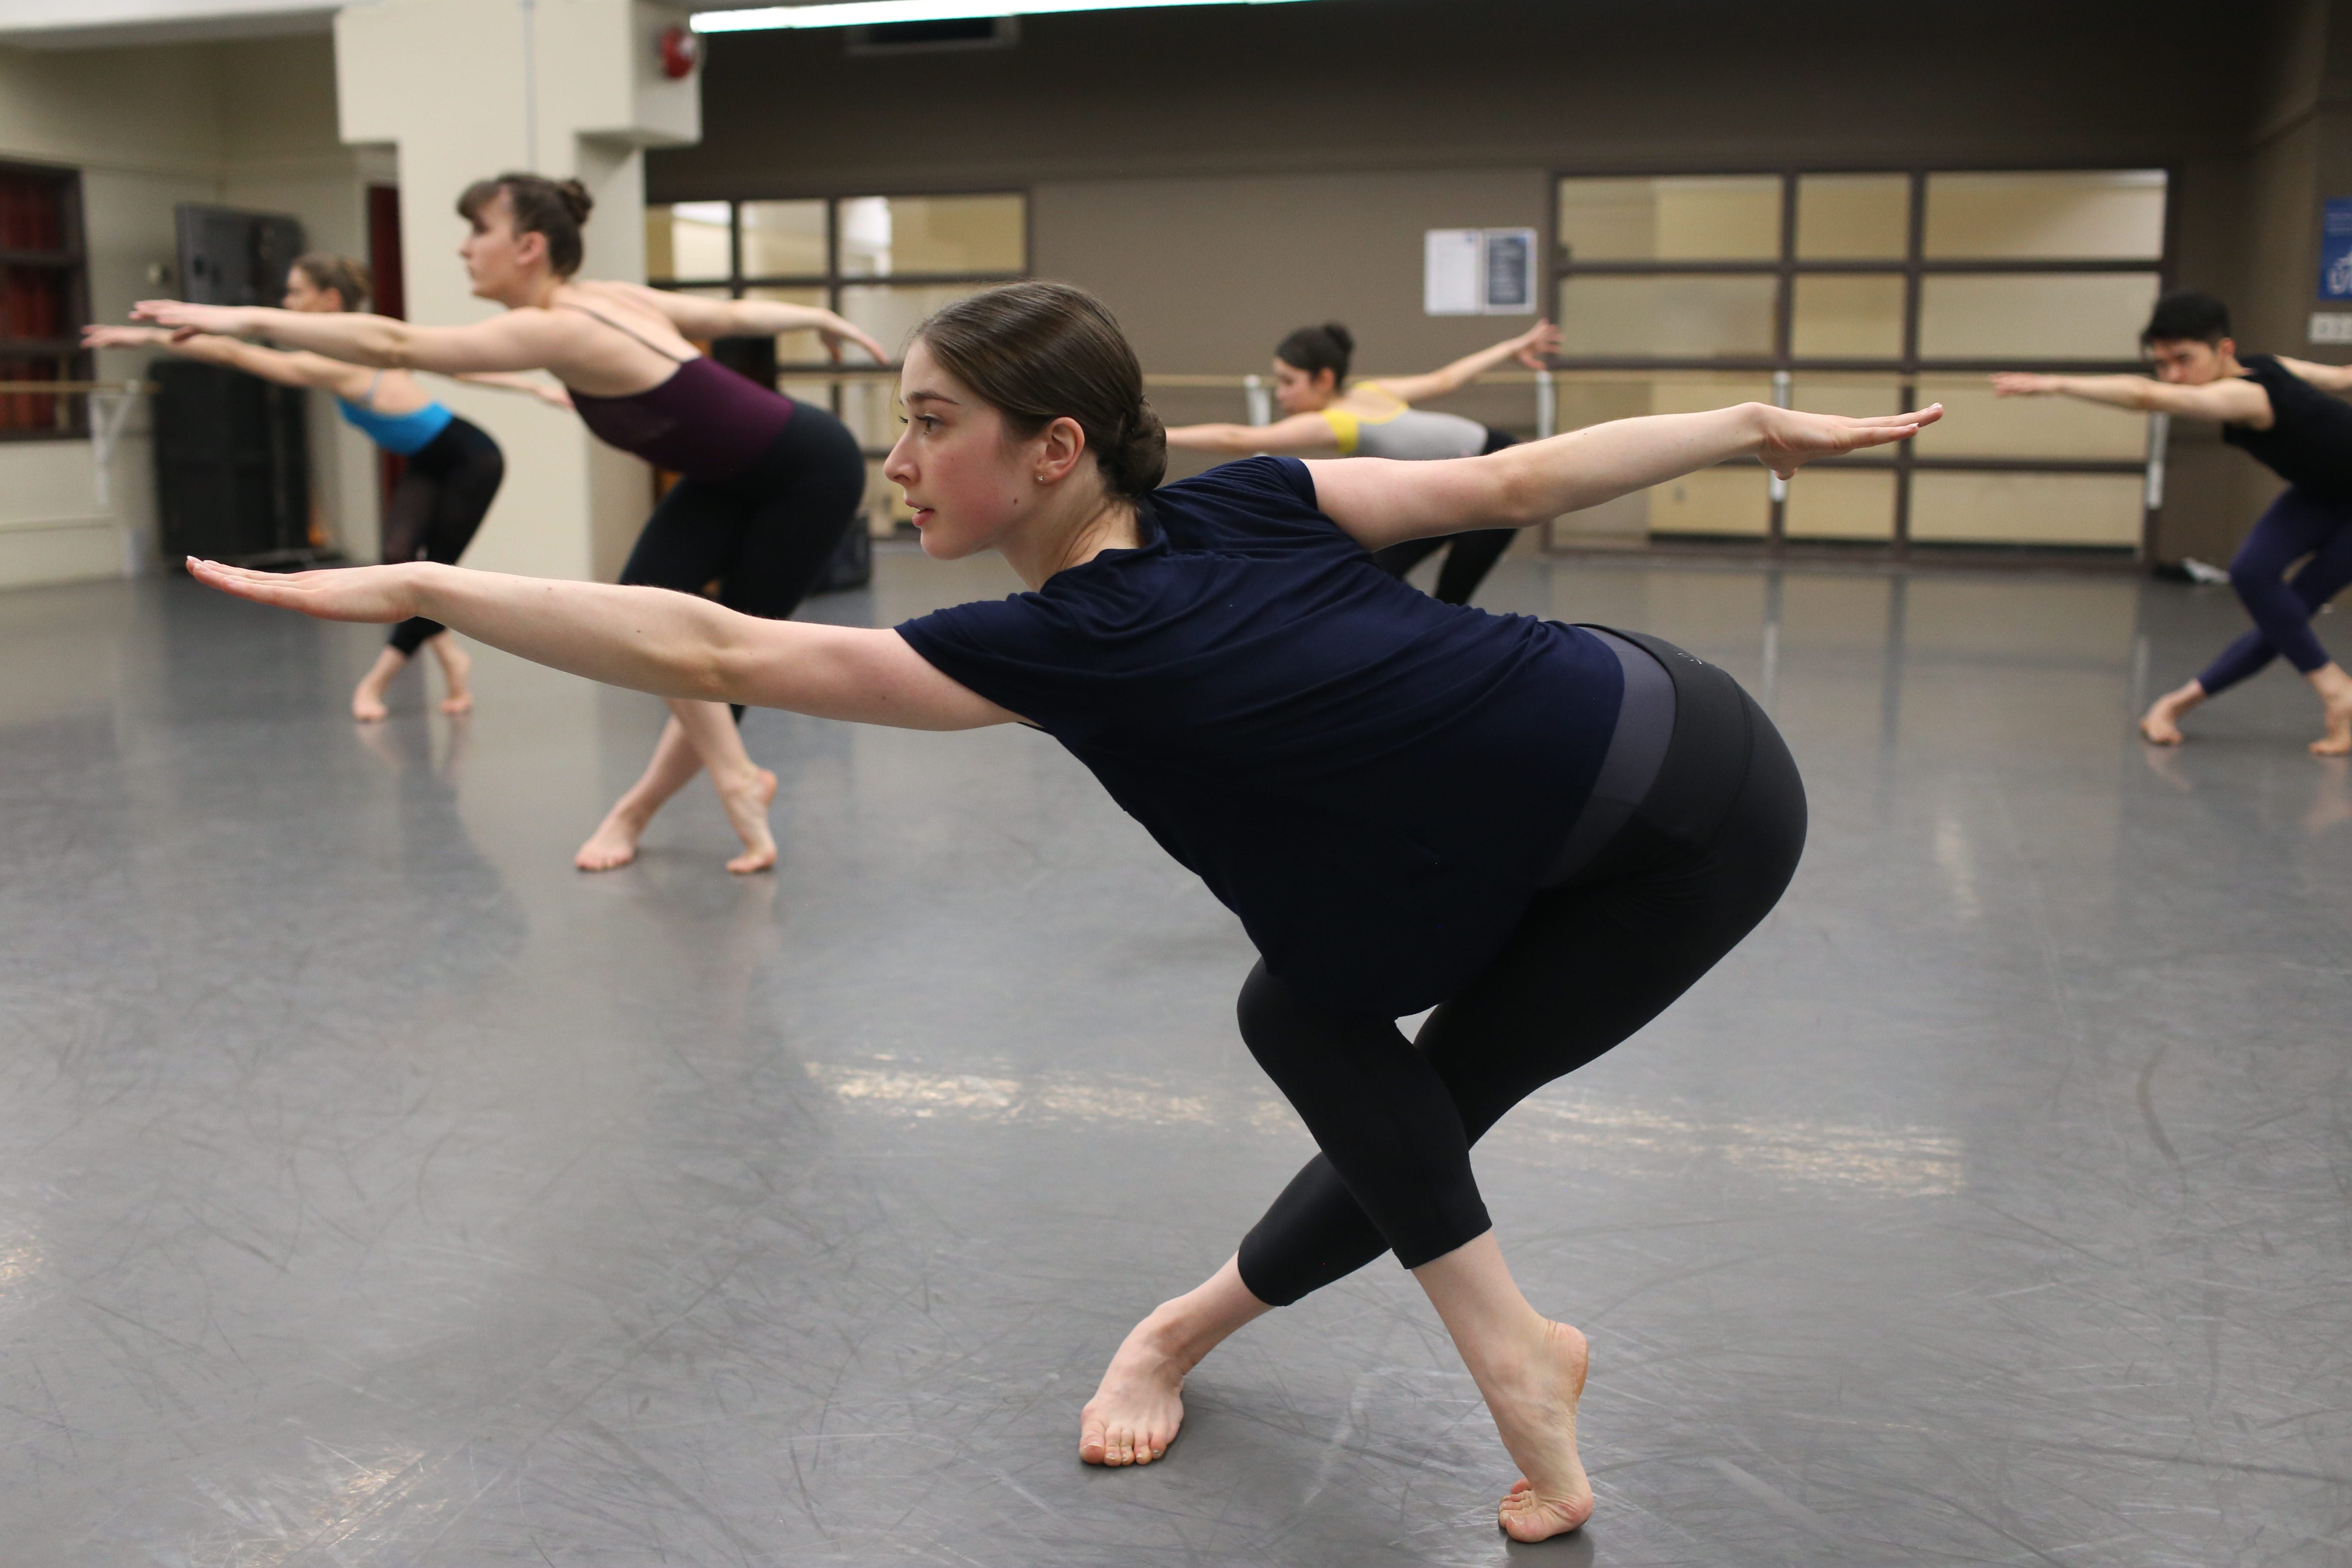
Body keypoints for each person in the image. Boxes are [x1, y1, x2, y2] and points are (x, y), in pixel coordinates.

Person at [184, 282, 1935, 1542]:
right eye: (901, 427)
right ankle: (1350, 1343)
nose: (902, 462)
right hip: (1660, 808)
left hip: (1689, 792)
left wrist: (1750, 422)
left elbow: (1508, 484)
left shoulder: (1154, 569)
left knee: (1312, 1029)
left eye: (934, 426)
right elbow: (715, 646)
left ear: (1054, 450)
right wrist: (432, 589)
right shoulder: (1079, 615)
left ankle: (1451, 1355)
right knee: (1386, 1093)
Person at [133, 174, 887, 874]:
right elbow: (728, 316)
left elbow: (396, 344)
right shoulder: (597, 297)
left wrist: (241, 316)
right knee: (647, 615)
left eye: (477, 231)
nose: (464, 247)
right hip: (732, 474)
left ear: (527, 248)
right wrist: (817, 314)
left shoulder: (563, 327)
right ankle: (736, 781)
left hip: (808, 473)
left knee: (726, 656)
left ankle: (669, 801)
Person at [86, 253, 563, 721]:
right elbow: (235, 350)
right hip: (428, 461)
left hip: (471, 461)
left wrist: (534, 388)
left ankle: (378, 681)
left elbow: (458, 366)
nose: (287, 302)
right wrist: (151, 337)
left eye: (295, 292)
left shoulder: (350, 360)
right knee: (399, 554)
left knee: (429, 576)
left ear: (329, 300)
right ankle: (453, 661)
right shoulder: (340, 354)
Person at [1994, 288, 2352, 754]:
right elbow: (2345, 377)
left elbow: (2146, 397)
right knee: (2260, 585)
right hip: (2323, 494)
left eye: (2184, 359)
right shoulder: (2268, 365)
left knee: (2290, 612)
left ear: (2224, 350)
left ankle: (2330, 694)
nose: (2175, 376)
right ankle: (2330, 694)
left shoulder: (2246, 395)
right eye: (2164, 364)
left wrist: (2056, 384)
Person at [1163, 318, 1560, 604]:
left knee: (1452, 597)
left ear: (1323, 379)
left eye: (1288, 382)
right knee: (1375, 569)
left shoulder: (1335, 422)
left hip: (1496, 467)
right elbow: (1446, 380)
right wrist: (1508, 349)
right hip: (1453, 478)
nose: (1280, 394)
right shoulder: (1370, 392)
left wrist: (1164, 435)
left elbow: (1241, 438)